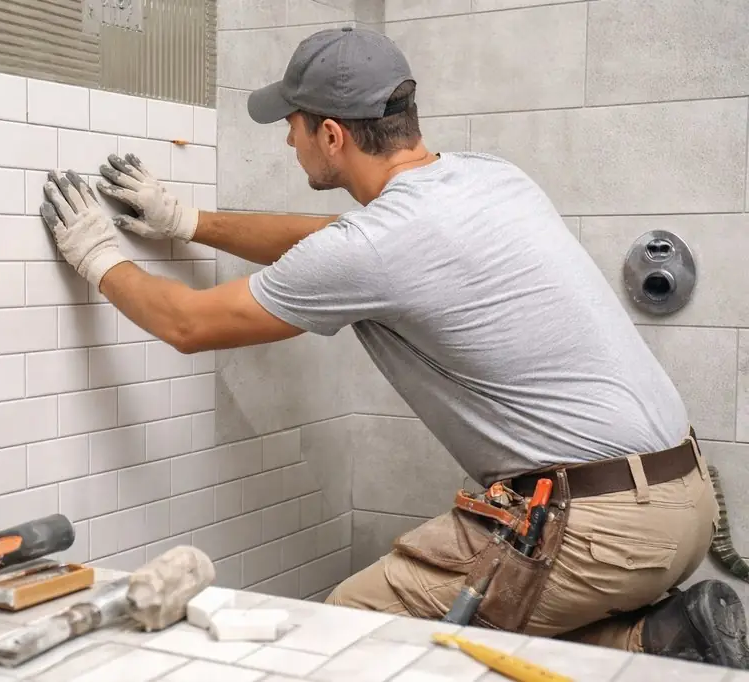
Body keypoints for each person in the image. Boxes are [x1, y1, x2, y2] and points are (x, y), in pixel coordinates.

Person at [37, 26, 749, 668]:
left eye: (292, 124)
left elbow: (189, 324)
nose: (287, 142)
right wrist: (187, 221)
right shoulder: (490, 178)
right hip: (681, 501)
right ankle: (662, 643)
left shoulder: (377, 246)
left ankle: (646, 646)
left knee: (352, 635)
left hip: (597, 529)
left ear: (332, 136)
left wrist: (98, 256)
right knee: (483, 633)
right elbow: (332, 244)